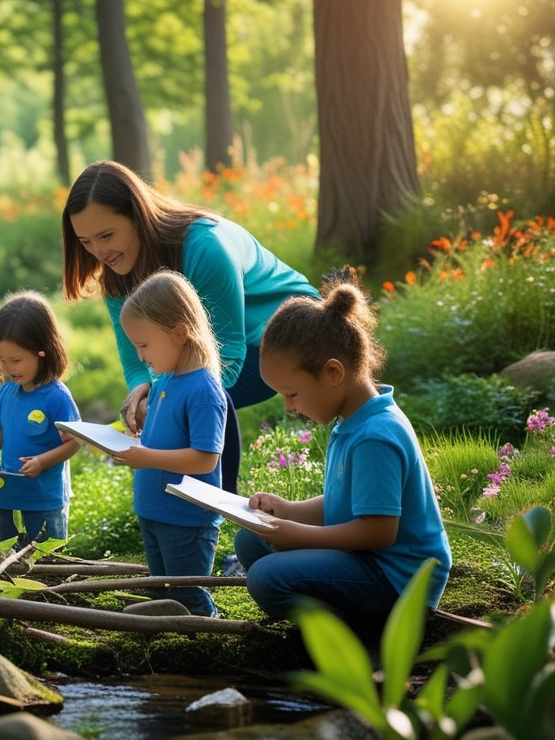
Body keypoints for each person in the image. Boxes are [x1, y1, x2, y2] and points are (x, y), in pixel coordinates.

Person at [61, 160, 317, 493]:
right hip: (216, 348)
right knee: (178, 393)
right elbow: (134, 350)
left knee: (197, 395)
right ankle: (178, 503)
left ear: (138, 216)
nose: (99, 252)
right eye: (86, 242)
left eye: (106, 235)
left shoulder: (205, 248)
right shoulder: (116, 275)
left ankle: (217, 506)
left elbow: (227, 357)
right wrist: (142, 388)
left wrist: (165, 398)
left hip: (283, 336)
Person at [236, 282, 451, 642]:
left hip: (398, 579)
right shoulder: (353, 421)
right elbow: (349, 504)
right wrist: (289, 510)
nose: (289, 407)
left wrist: (298, 536)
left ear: (333, 373)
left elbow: (378, 531)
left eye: (291, 394)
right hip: (369, 560)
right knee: (250, 542)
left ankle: (357, 636)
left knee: (266, 578)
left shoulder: (374, 436)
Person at [106, 270, 228, 616]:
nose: (141, 356)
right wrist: (130, 445)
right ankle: (170, 640)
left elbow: (205, 459)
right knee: (160, 588)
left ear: (179, 332)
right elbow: (160, 438)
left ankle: (209, 635)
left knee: (187, 593)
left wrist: (147, 457)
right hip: (153, 509)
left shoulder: (204, 390)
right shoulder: (164, 382)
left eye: (144, 345)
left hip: (186, 518)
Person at [0, 291, 81, 546]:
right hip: (8, 493)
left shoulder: (56, 397)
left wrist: (42, 461)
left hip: (43, 496)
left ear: (42, 352)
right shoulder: (6, 391)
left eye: (16, 360)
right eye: (1, 359)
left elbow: (73, 443)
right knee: (9, 554)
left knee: (44, 558)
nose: (8, 368)